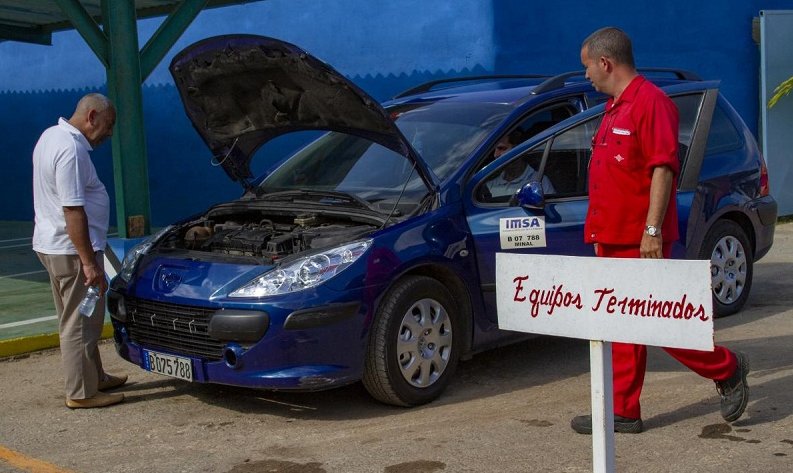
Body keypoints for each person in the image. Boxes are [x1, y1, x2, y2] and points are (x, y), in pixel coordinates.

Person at [571, 27, 749, 434]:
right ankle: (623, 410)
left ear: (605, 63)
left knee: (660, 323)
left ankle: (728, 367)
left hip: (639, 239)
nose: (586, 77)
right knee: (620, 323)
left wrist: (652, 229)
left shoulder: (650, 103)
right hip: (611, 236)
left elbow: (663, 169)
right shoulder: (616, 107)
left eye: (587, 67)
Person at [32, 93, 128, 409]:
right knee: (78, 322)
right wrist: (88, 263)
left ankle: (95, 376)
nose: (109, 133)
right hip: (72, 253)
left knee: (85, 317)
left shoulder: (50, 136)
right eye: (108, 125)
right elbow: (73, 210)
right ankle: (82, 393)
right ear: (91, 117)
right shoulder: (71, 150)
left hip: (54, 246)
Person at [487, 130, 555, 198]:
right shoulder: (491, 184)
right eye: (494, 149)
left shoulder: (540, 181)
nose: (495, 155)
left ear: (518, 150)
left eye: (501, 148)